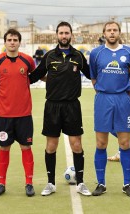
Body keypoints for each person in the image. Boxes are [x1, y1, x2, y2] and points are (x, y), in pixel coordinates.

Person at [29, 21, 91, 196]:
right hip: (52, 106)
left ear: (71, 35)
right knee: (51, 146)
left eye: (66, 33)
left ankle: (80, 183)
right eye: (61, 33)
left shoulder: (78, 56)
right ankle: (50, 183)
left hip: (72, 106)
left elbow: (91, 75)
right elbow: (34, 77)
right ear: (56, 35)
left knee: (76, 145)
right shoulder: (49, 56)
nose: (64, 36)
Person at [0, 28, 36, 197]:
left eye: (15, 40)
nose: (12, 42)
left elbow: (35, 76)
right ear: (5, 42)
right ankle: (1, 183)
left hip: (24, 114)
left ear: (19, 42)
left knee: (25, 146)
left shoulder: (27, 61)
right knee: (4, 148)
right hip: (3, 115)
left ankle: (29, 183)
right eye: (9, 40)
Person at [89, 21, 130, 197]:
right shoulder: (95, 53)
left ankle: (127, 184)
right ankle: (101, 183)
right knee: (101, 143)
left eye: (114, 30)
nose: (112, 33)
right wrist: (104, 93)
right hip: (103, 99)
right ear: (104, 33)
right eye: (109, 30)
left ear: (119, 32)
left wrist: (125, 96)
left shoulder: (129, 52)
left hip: (122, 100)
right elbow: (94, 78)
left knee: (124, 143)